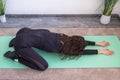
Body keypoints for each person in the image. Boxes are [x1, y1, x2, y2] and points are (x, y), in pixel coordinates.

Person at [4, 28, 114, 71]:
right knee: (43, 67)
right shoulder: (62, 49)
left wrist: (98, 43)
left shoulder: (63, 36)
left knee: (46, 31)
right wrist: (101, 51)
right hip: (21, 44)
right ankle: (15, 57)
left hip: (23, 31)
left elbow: (80, 43)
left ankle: (16, 39)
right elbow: (82, 52)